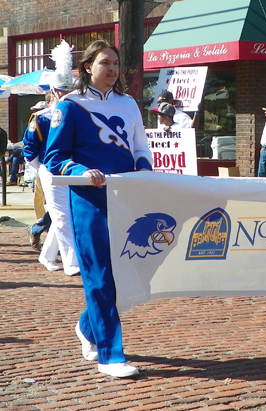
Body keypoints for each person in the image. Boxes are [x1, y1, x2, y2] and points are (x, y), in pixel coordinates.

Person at [45, 40, 153, 378]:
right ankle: (111, 356)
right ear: (87, 67)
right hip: (88, 201)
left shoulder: (128, 103)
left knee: (125, 276)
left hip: (126, 199)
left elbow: (140, 149)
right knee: (100, 276)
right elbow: (54, 158)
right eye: (105, 62)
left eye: (116, 63)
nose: (112, 69)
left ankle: (87, 327)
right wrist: (80, 172)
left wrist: (145, 171)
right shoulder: (70, 105)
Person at [24, 40, 80, 276]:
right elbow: (30, 150)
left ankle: (47, 256)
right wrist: (44, 170)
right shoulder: (43, 118)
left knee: (64, 215)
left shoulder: (78, 115)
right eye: (63, 91)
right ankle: (72, 263)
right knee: (62, 216)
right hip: (51, 171)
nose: (66, 95)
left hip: (73, 170)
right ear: (54, 92)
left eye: (70, 91)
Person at [24, 97, 52, 251]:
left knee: (61, 210)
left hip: (72, 168)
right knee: (49, 203)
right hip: (46, 167)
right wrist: (41, 168)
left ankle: (37, 228)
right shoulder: (41, 119)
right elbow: (30, 146)